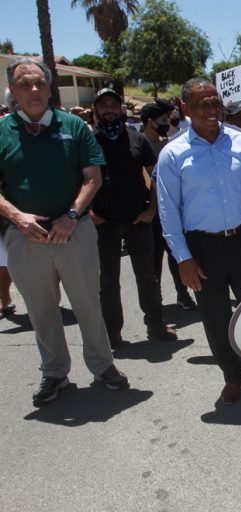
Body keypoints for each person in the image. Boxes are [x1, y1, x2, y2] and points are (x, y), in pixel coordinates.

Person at [0, 58, 129, 406]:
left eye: (40, 83)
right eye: (25, 84)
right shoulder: (1, 131)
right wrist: (18, 217)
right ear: (12, 90)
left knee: (88, 304)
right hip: (25, 237)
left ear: (50, 87)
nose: (34, 90)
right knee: (42, 311)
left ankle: (103, 367)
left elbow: (93, 177)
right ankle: (54, 373)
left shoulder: (74, 126)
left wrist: (72, 215)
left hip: (74, 232)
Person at [156, 77, 241, 407]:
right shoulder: (172, 155)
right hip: (202, 248)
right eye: (203, 104)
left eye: (215, 102)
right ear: (186, 109)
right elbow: (168, 212)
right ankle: (233, 377)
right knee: (215, 319)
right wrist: (183, 258)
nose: (212, 110)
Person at [90, 88, 177, 347]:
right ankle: (113, 333)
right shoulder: (88, 140)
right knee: (108, 281)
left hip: (139, 220)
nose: (109, 109)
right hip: (103, 223)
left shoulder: (138, 140)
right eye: (103, 105)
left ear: (121, 109)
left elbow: (156, 176)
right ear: (96, 110)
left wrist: (151, 210)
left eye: (113, 105)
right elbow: (78, 179)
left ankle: (155, 324)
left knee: (147, 276)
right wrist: (90, 213)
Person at [141, 100, 196, 311]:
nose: (167, 123)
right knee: (154, 260)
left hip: (173, 211)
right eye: (163, 120)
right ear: (149, 122)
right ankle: (156, 301)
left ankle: (183, 294)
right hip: (151, 213)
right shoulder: (141, 143)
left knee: (177, 255)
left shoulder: (168, 144)